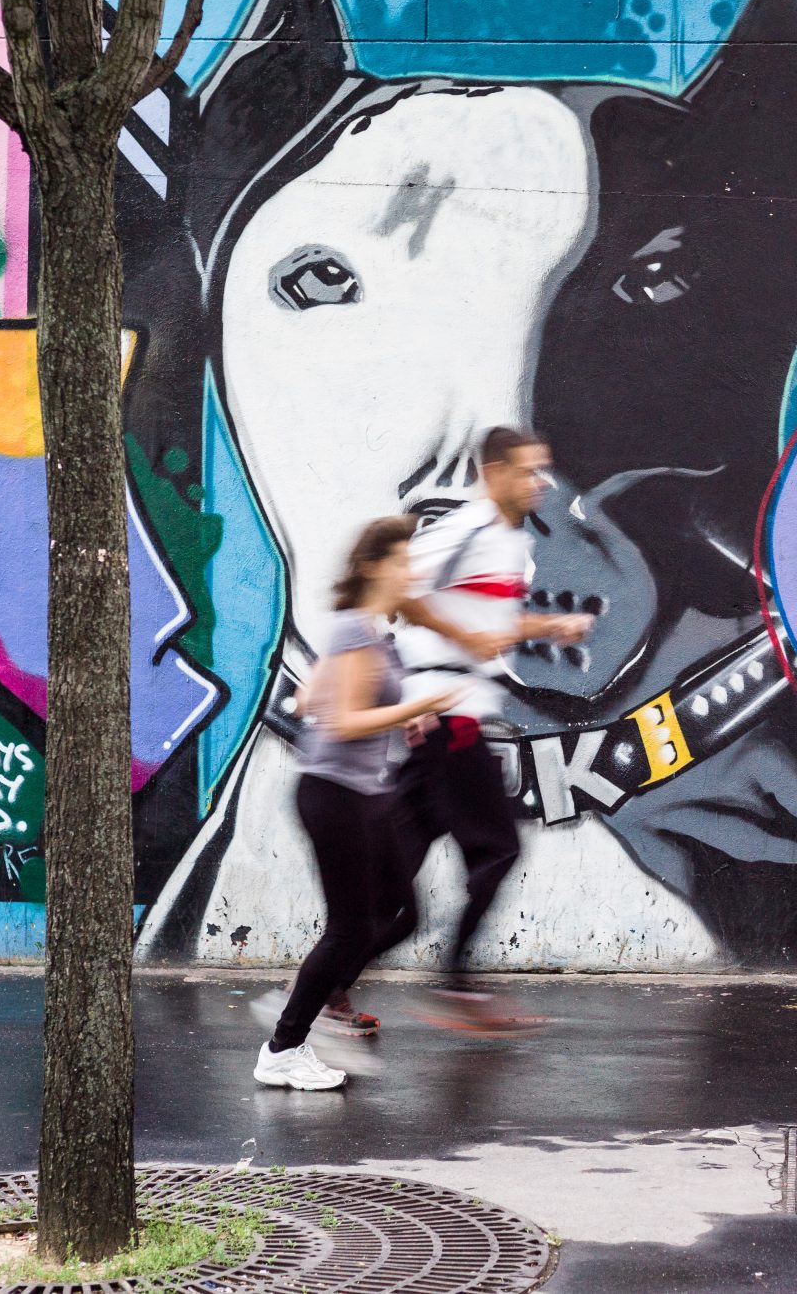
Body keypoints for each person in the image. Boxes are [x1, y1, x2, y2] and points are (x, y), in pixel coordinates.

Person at [378, 426, 593, 1029]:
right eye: (527, 471)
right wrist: (458, 642)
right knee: (498, 847)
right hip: (448, 713)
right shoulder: (464, 528)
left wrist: (549, 627)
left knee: (399, 871)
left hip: (453, 715)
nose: (540, 483)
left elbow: (489, 622)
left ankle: (323, 992)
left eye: (542, 470)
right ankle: (454, 983)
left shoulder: (511, 544)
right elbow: (398, 592)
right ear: (493, 472)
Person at [254, 517, 459, 1090]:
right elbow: (343, 722)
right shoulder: (352, 630)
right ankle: (283, 1048)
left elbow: (307, 700)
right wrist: (414, 707)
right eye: (402, 562)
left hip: (366, 793)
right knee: (348, 928)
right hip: (334, 793)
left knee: (403, 912)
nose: (411, 573)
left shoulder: (368, 634)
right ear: (372, 566)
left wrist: (402, 718)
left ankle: (317, 994)